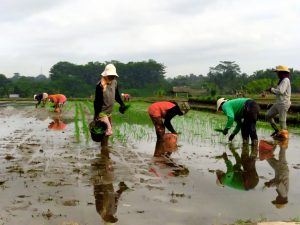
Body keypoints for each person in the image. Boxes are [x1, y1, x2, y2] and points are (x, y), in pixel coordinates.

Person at [93, 64, 126, 139]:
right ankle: (104, 149)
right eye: (111, 75)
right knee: (108, 131)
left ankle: (104, 147)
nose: (113, 77)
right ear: (106, 75)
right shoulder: (100, 85)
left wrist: (122, 104)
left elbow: (116, 95)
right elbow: (97, 101)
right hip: (101, 113)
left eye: (113, 75)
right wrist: (96, 115)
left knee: (106, 132)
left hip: (109, 112)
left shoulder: (114, 82)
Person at [265, 65, 291, 139]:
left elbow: (280, 91)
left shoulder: (286, 80)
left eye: (278, 72)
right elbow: (278, 92)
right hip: (278, 103)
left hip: (284, 103)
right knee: (268, 115)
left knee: (282, 121)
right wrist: (271, 90)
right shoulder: (282, 80)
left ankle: (284, 137)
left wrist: (271, 89)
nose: (277, 74)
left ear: (282, 72)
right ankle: (277, 130)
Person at [264, 139, 289, 209]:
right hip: (282, 170)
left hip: (279, 170)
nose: (276, 198)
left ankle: (274, 144)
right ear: (280, 200)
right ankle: (282, 140)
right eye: (277, 200)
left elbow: (276, 180)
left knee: (267, 157)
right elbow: (278, 183)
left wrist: (270, 182)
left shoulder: (281, 193)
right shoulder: (283, 194)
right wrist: (270, 184)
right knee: (282, 151)